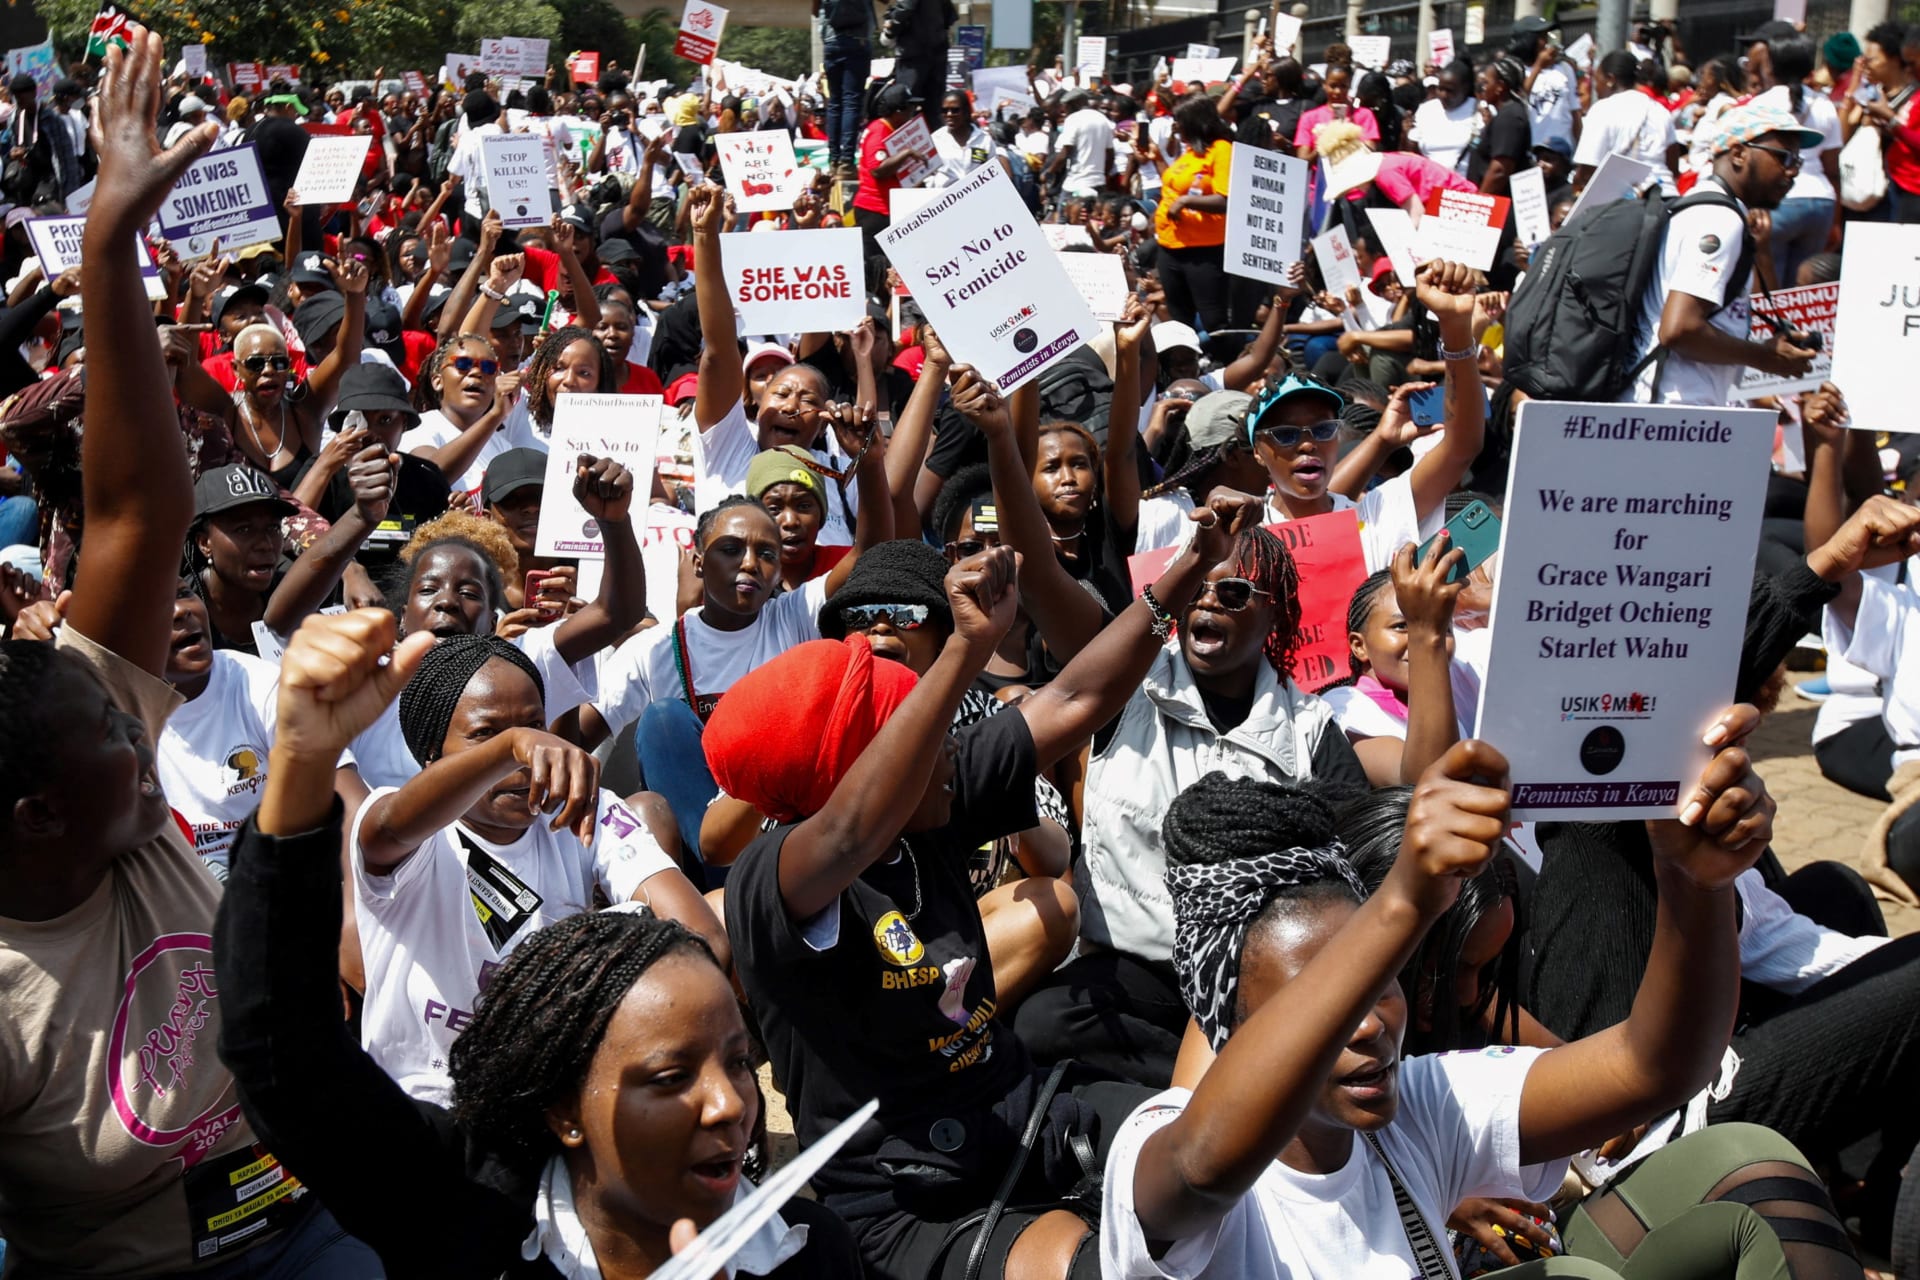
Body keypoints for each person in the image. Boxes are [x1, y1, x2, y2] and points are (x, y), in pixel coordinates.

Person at [0, 27, 379, 1272]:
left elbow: (136, 515)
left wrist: (113, 245)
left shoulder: (76, 707)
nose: (144, 724)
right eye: (116, 734)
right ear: (38, 810)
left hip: (318, 1203)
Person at [707, 494, 1266, 1278]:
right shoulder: (773, 881)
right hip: (903, 1200)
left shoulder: (930, 802)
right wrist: (964, 652)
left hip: (1021, 1112)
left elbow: (1074, 699)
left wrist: (1188, 571)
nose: (955, 751)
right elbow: (847, 832)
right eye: (929, 737)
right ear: (860, 772)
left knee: (1226, 1158)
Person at [215, 611, 865, 1278]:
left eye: (532, 723)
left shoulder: (582, 813)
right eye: (487, 734)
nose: (524, 751)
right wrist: (503, 749)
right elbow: (382, 833)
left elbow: (697, 938)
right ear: (430, 753)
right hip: (437, 1128)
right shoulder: (406, 833)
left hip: (574, 1114)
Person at [1099, 718, 1828, 1280]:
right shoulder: (1160, 1142)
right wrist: (1403, 905)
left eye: (1380, 982)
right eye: (1322, 1001)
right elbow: (1201, 1169)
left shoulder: (1419, 1106)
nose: (1370, 1024)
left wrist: (1694, 882)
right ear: (1231, 1026)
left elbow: (1656, 1065)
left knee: (1747, 1159)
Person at [1012, 511, 1369, 1087]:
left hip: (1257, 981)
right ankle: (1230, 1090)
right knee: (1044, 1024)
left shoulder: (1309, 727)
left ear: (1273, 611)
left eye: (1230, 592)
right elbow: (1039, 576)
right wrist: (1003, 434)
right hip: (1133, 973)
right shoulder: (1127, 681)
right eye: (1196, 586)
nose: (1206, 604)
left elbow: (1364, 861)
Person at [1247, 263, 1484, 572]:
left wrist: (1455, 329)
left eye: (1323, 430)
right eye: (1286, 434)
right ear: (1258, 452)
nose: (1308, 444)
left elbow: (1461, 447)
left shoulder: (1373, 518)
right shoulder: (1242, 534)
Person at [1623, 102, 1823, 407]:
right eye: (1783, 158)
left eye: (1797, 160)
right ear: (1739, 154)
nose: (1793, 171)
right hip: (1676, 412)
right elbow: (1679, 329)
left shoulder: (1700, 205)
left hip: (1673, 410)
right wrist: (1766, 358)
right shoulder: (1719, 219)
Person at [1752, 36, 1844, 286]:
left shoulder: (1760, 104)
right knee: (1803, 292)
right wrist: (1836, 220)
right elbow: (1833, 169)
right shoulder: (1825, 105)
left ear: (1770, 66)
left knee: (1768, 284)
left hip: (1778, 202)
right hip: (1821, 203)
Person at [1154, 96, 1235, 333]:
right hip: (1170, 247)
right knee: (1179, 321)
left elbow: (1225, 199)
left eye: (1179, 121)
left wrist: (1187, 201)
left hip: (1203, 251)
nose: (1175, 127)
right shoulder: (1189, 153)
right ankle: (1186, 368)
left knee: (1214, 321)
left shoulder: (1221, 150)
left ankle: (1227, 366)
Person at [1573, 52, 1683, 198]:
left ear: (1610, 79)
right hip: (1666, 197)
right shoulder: (1659, 110)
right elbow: (1673, 166)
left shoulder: (1602, 109)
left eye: (1597, 80)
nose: (1596, 88)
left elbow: (1588, 169)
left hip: (1627, 204)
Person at [853, 82, 923, 253]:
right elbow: (877, 170)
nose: (913, 112)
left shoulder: (890, 130)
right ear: (898, 111)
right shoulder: (879, 131)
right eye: (910, 107)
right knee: (876, 266)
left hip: (888, 208)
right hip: (874, 210)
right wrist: (906, 153)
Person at [1512, 16, 1580, 152]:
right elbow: (1519, 99)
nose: (1546, 42)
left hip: (1562, 150)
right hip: (1532, 147)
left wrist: (1580, 147)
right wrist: (1538, 66)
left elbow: (1575, 113)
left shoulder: (1564, 68)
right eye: (1541, 37)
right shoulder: (1517, 69)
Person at [1468, 58, 1532, 196]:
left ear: (1500, 87)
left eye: (1486, 82)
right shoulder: (1504, 114)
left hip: (1500, 204)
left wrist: (1480, 203)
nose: (1482, 87)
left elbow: (1500, 170)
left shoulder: (1510, 117)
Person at [1295, 65, 1379, 164]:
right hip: (1320, 177)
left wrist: (1349, 135)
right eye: (1333, 86)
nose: (1338, 91)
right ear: (1324, 85)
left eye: (1343, 86)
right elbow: (1303, 162)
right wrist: (1326, 143)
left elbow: (1369, 153)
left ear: (1350, 86)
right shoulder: (1309, 118)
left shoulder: (1364, 115)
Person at [1409, 59, 1479, 175]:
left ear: (1465, 88)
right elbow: (1412, 153)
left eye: (1450, 91)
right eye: (1440, 89)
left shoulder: (1480, 110)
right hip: (1429, 185)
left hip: (1465, 186)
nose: (1443, 95)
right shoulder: (1426, 110)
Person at [1051, 86, 1117, 203]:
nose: (1065, 111)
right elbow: (1110, 155)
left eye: (1066, 106)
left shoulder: (1073, 119)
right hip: (1099, 183)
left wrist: (1049, 172)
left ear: (1075, 103)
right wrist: (1102, 174)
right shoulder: (1103, 120)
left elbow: (1065, 153)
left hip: (1076, 183)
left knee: (1064, 219)